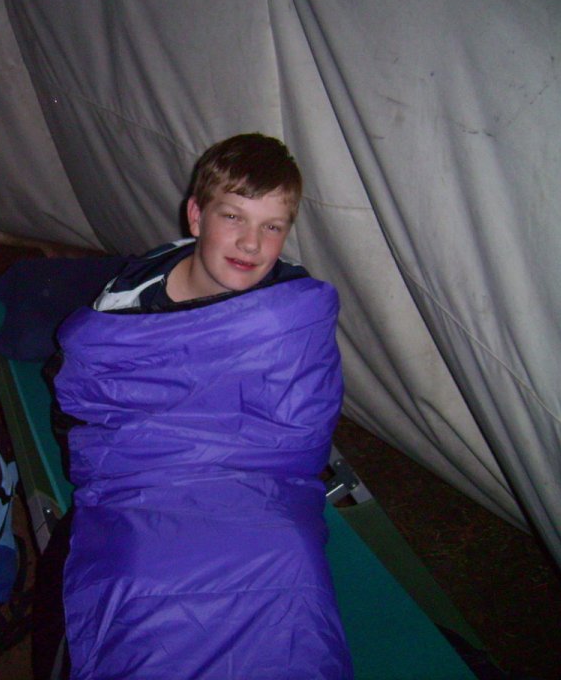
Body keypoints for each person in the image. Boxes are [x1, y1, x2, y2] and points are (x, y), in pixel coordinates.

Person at [50, 133, 353, 679]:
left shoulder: (292, 308)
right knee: (137, 584)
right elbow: (87, 407)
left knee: (293, 570)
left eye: (272, 227)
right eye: (233, 217)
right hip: (146, 488)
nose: (251, 244)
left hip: (261, 491)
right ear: (196, 216)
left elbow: (301, 430)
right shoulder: (128, 302)